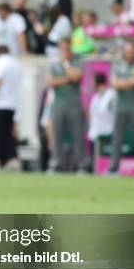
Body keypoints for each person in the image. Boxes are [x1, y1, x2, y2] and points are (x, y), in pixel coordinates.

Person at [108, 42, 134, 176]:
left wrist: (123, 82)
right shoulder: (117, 65)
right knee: (117, 138)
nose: (129, 54)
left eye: (131, 51)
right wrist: (129, 82)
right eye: (127, 51)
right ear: (123, 52)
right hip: (121, 106)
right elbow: (114, 83)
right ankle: (113, 168)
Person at [46, 39, 87, 173]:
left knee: (77, 135)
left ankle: (80, 164)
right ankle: (56, 163)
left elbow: (76, 77)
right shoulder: (54, 65)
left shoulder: (76, 62)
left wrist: (66, 65)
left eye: (66, 49)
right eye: (61, 49)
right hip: (59, 103)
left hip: (74, 104)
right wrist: (66, 79)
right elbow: (50, 82)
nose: (64, 52)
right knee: (56, 134)